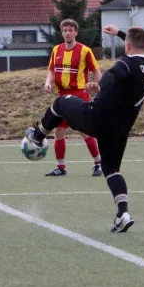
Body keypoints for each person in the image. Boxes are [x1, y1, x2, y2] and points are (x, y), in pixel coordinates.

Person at [25, 26, 144, 232]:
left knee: (60, 103)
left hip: (97, 118)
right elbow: (137, 43)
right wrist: (120, 34)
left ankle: (37, 136)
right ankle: (123, 213)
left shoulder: (126, 63)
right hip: (121, 127)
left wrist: (98, 86)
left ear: (128, 46)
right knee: (111, 170)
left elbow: (113, 74)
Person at [44, 19, 102, 177]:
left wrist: (98, 88)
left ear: (76, 32)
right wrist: (48, 82)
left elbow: (97, 73)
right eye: (65, 30)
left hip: (79, 94)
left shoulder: (85, 51)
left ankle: (98, 163)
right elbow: (51, 71)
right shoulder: (56, 50)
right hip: (61, 95)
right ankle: (61, 167)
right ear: (61, 32)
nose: (68, 33)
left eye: (71, 30)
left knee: (83, 130)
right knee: (59, 130)